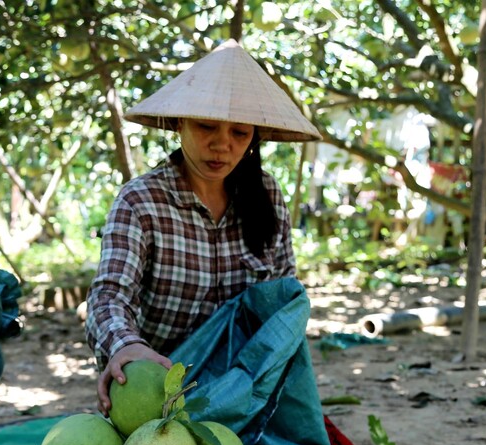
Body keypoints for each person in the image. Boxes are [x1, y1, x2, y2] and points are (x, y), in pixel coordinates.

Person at [86, 38, 321, 414]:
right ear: (180, 123)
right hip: (155, 389)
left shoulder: (269, 197)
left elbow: (282, 303)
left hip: (243, 389)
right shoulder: (140, 202)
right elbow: (109, 295)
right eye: (207, 126)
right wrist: (125, 344)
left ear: (254, 137)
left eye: (239, 133)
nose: (221, 145)